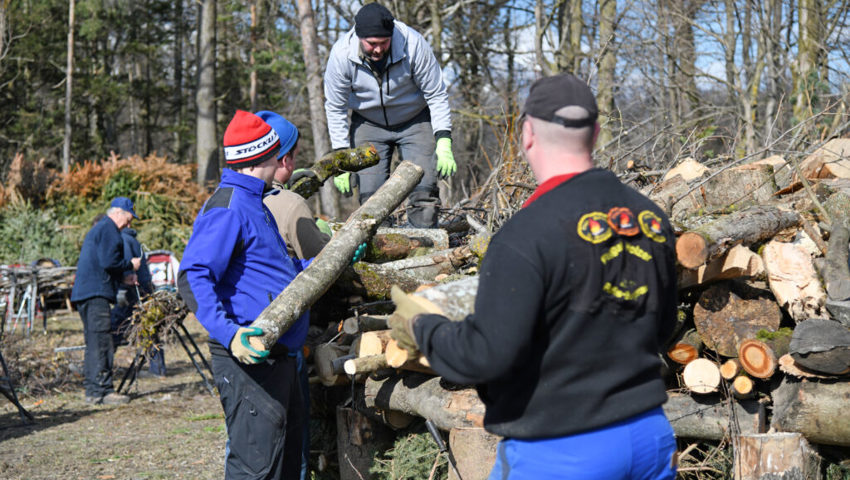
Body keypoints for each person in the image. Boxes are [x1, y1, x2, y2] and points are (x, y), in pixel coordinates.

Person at [388, 74, 679, 479]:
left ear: (527, 133)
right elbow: (663, 325)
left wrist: (422, 327)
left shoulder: (526, 234)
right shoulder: (650, 218)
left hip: (561, 447)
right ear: (594, 133)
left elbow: (485, 355)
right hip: (650, 437)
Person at [177, 110, 310, 479]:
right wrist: (231, 333)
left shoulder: (256, 201)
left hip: (278, 357)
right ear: (263, 158)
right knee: (255, 468)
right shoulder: (229, 206)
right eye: (276, 151)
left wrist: (325, 260)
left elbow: (269, 271)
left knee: (283, 464)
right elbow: (192, 277)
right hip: (250, 360)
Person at [324, 2, 455, 228]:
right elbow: (335, 107)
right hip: (368, 121)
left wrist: (443, 139)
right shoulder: (341, 55)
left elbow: (436, 94)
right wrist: (341, 158)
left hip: (414, 118)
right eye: (372, 44)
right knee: (370, 197)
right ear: (358, 37)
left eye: (384, 43)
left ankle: (424, 250)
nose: (378, 49)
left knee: (424, 190)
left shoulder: (413, 45)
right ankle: (381, 253)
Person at [255, 110, 329, 480]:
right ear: (284, 159)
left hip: (243, 340)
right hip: (285, 339)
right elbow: (319, 261)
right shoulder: (289, 204)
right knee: (293, 442)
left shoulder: (225, 201)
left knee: (251, 445)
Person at [70, 197, 142, 405]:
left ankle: (94, 391)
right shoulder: (109, 229)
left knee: (94, 343)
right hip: (95, 294)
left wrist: (123, 277)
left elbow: (104, 263)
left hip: (87, 293)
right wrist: (131, 265)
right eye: (129, 219)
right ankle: (104, 390)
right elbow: (110, 261)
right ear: (118, 213)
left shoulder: (101, 229)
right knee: (102, 342)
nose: (129, 225)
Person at [110, 227, 166, 377]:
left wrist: (124, 283)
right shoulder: (133, 239)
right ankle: (158, 368)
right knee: (148, 328)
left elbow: (128, 265)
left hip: (133, 290)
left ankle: (105, 367)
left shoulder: (123, 239)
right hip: (143, 288)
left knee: (115, 326)